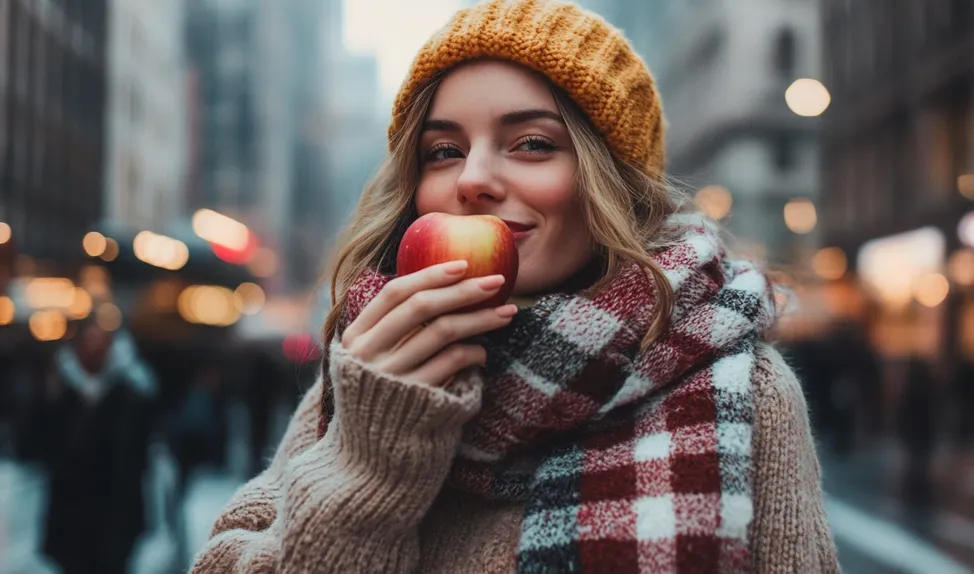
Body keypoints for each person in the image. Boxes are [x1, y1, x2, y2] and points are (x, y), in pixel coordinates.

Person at [192, 1, 839, 572]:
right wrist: (370, 463)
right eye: (442, 151)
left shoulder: (745, 393)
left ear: (609, 185)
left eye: (531, 143)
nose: (472, 178)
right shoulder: (369, 371)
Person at [40, 315, 157, 574]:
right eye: (89, 341)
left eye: (101, 341)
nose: (95, 348)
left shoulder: (132, 393)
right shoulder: (62, 392)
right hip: (71, 515)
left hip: (116, 513)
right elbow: (42, 446)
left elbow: (138, 455)